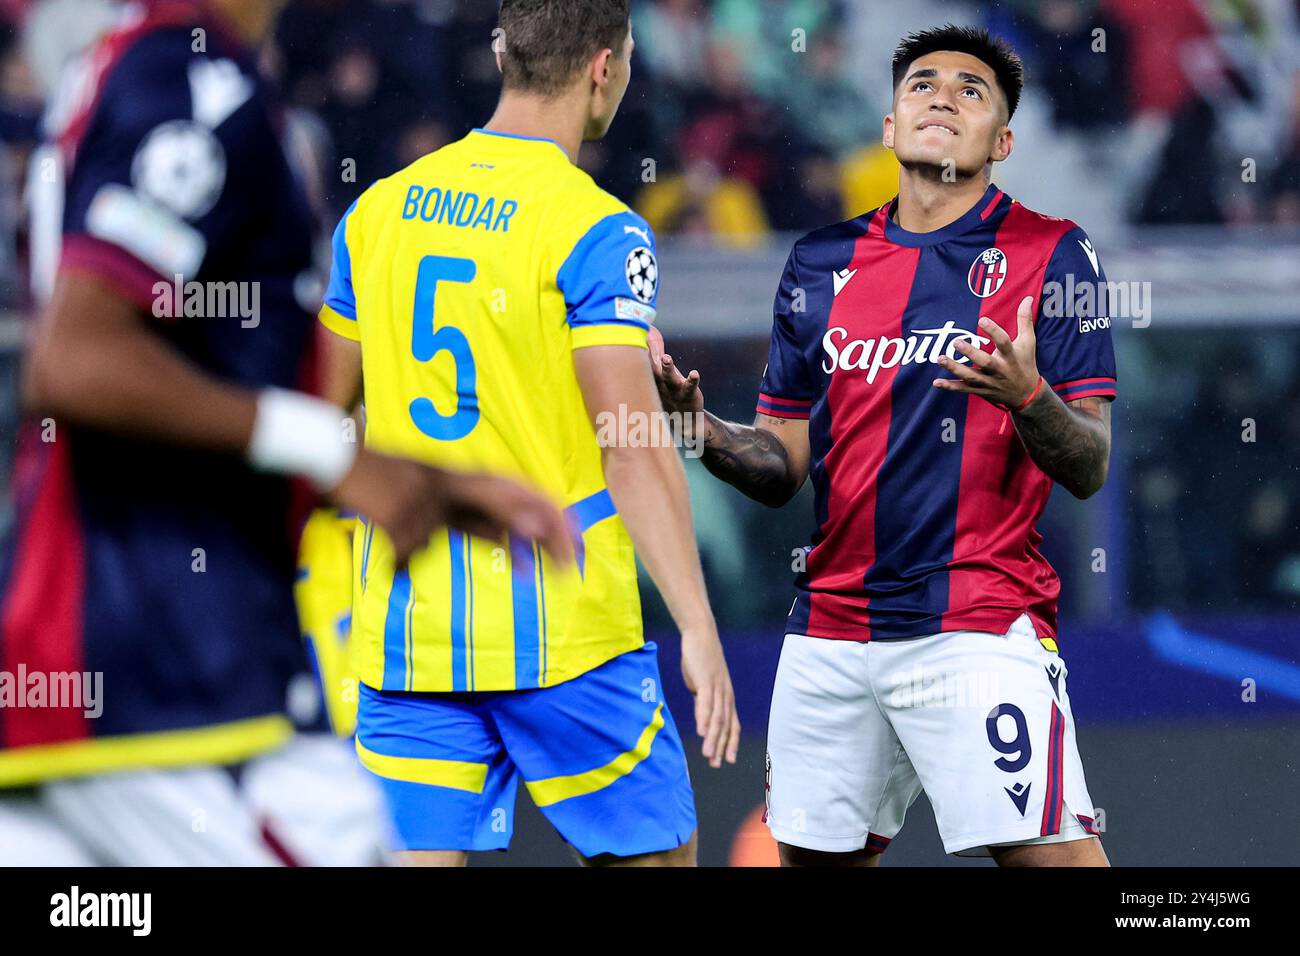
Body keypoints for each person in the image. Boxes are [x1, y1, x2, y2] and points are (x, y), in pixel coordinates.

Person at [0, 0, 570, 866]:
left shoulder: (143, 67)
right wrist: (333, 455)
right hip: (174, 680)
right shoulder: (194, 85)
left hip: (102, 666)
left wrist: (407, 474)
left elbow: (175, 372)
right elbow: (74, 360)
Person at [652, 25, 1117, 867]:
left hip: (975, 625)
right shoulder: (817, 262)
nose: (943, 95)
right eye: (923, 85)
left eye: (971, 90)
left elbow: (1090, 463)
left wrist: (1028, 395)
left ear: (1003, 141)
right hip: (830, 631)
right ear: (890, 127)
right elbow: (780, 466)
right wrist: (698, 428)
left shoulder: (1054, 252)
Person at [319, 0, 740, 867]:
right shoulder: (598, 229)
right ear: (604, 68)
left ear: (506, 53)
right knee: (660, 857)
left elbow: (324, 421)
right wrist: (696, 622)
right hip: (564, 630)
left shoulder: (373, 217)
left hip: (409, 633)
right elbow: (627, 437)